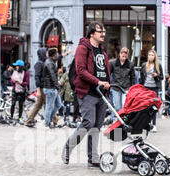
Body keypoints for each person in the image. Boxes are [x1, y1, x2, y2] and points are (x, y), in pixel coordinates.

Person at [61, 21, 111, 167]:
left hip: (101, 93)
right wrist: (98, 82)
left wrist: (106, 85)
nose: (103, 34)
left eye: (104, 31)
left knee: (97, 125)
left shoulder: (102, 49)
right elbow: (81, 71)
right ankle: (68, 147)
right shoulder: (83, 48)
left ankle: (93, 158)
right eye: (100, 31)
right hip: (87, 91)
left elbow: (105, 70)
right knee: (88, 122)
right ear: (91, 33)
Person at [139, 49, 163, 132]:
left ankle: (154, 125)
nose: (150, 56)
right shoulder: (144, 65)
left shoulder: (158, 66)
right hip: (145, 88)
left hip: (154, 88)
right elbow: (141, 77)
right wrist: (140, 88)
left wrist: (156, 75)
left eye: (152, 55)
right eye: (149, 55)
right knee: (145, 107)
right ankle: (146, 124)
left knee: (154, 107)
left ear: (155, 56)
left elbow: (162, 77)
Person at [25, 48, 48, 127]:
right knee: (48, 104)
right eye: (46, 52)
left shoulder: (44, 62)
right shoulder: (39, 64)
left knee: (39, 105)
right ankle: (53, 120)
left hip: (44, 87)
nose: (47, 54)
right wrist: (38, 90)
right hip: (42, 88)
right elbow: (37, 77)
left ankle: (29, 121)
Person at [110, 47, 135, 119]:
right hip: (116, 88)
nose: (124, 58)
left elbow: (133, 77)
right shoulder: (113, 63)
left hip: (126, 88)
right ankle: (118, 125)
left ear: (127, 56)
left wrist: (132, 88)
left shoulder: (130, 64)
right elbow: (108, 74)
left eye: (125, 56)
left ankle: (123, 124)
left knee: (125, 107)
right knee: (117, 107)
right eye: (122, 56)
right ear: (119, 54)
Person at [42, 48, 63, 128]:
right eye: (57, 53)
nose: (57, 55)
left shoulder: (51, 61)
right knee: (49, 106)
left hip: (52, 87)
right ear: (54, 55)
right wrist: (57, 86)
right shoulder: (49, 63)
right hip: (50, 88)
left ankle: (49, 120)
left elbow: (59, 57)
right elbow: (53, 76)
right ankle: (47, 124)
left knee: (59, 104)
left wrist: (67, 53)